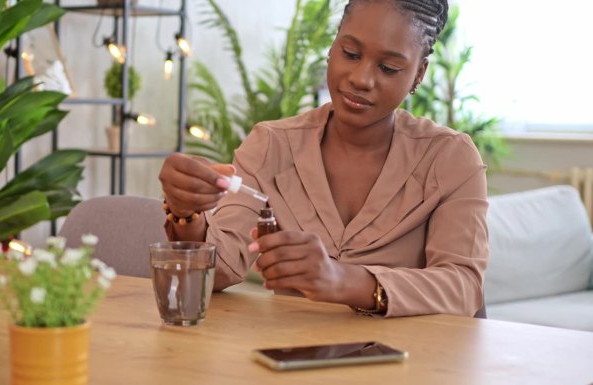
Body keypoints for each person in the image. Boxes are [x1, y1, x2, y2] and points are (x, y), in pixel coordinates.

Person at [158, 0, 488, 318]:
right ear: (333, 47)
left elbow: (463, 286)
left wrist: (345, 281)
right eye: (350, 53)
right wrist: (187, 214)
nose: (361, 78)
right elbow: (220, 271)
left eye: (388, 68)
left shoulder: (450, 158)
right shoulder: (272, 144)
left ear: (419, 74)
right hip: (292, 362)